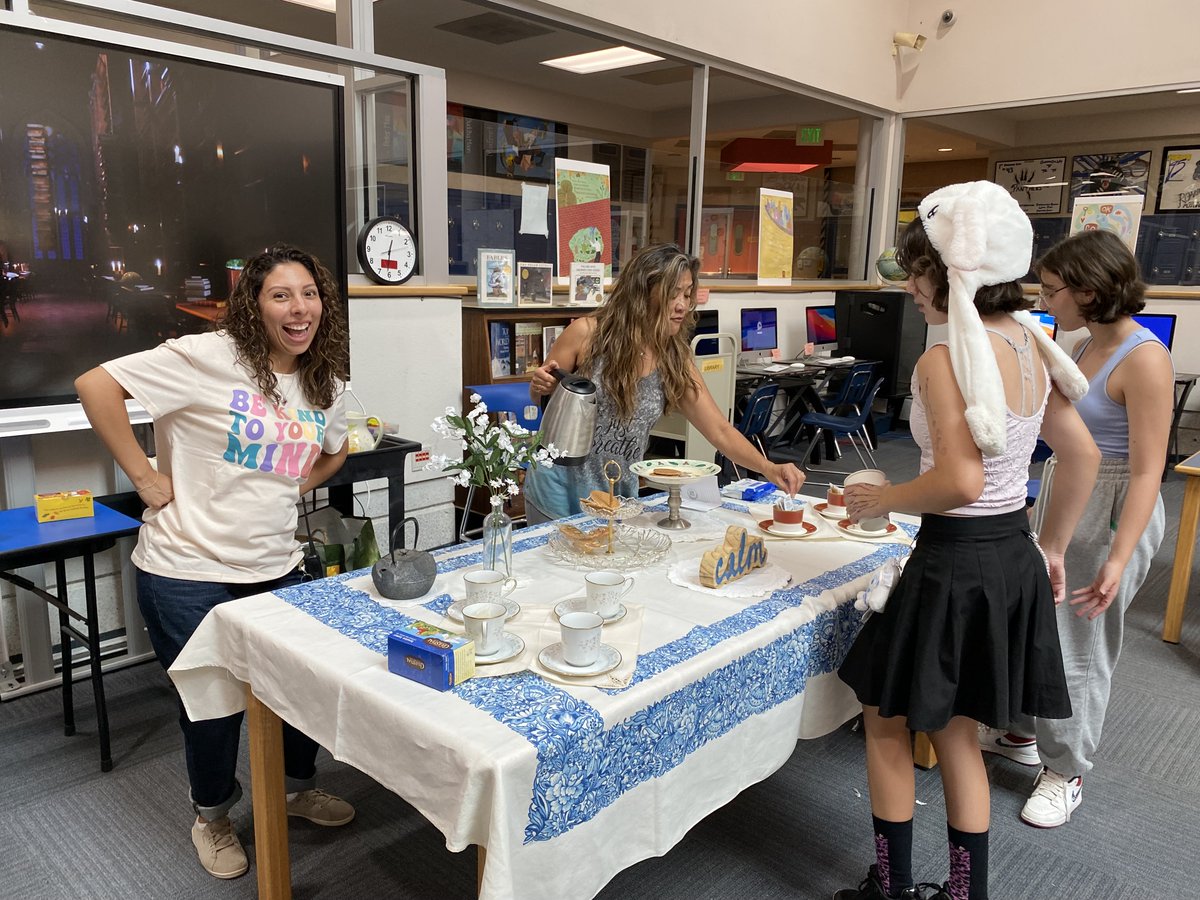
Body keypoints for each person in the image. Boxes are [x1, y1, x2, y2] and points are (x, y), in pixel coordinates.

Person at [835, 182, 1100, 900]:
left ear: (950, 272)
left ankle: (892, 888)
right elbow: (1081, 455)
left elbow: (957, 480)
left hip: (954, 558)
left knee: (885, 719)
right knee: (956, 731)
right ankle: (964, 892)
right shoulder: (1033, 342)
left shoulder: (944, 357)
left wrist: (882, 499)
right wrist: (1051, 545)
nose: (911, 289)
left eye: (917, 272)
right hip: (1012, 552)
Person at [75, 244, 354, 880]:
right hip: (186, 569)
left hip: (276, 564)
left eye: (309, 294)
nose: (299, 308)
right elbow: (96, 386)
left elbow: (335, 450)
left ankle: (295, 788)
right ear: (254, 305)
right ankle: (213, 816)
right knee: (214, 707)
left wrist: (289, 488)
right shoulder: (209, 356)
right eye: (281, 295)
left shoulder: (326, 382)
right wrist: (145, 479)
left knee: (298, 692)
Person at [979, 229, 1172, 828]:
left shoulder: (1144, 359)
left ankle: (1067, 770)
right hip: (1066, 488)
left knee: (1080, 644)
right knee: (1036, 619)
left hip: (1114, 501)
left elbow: (1148, 472)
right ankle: (1024, 732)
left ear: (1089, 291)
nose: (1043, 299)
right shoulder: (1083, 342)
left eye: (1052, 289)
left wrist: (1118, 557)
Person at [523, 242, 804, 521]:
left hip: (616, 497)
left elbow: (719, 430)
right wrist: (540, 387)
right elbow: (543, 399)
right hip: (557, 492)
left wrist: (768, 468)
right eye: (673, 294)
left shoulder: (674, 359)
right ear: (642, 292)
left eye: (687, 294)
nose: (682, 305)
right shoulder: (586, 334)